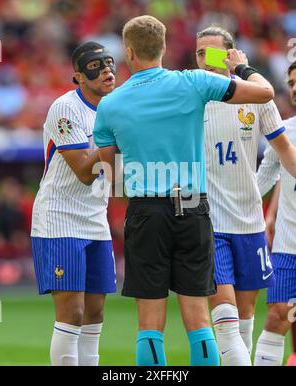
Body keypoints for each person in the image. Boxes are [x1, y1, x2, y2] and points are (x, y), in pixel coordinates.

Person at [93, 15, 275, 366]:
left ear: (129, 52)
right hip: (192, 206)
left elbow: (111, 177)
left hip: (146, 210)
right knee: (199, 318)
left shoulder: (111, 105)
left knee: (149, 322)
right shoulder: (194, 82)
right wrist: (244, 67)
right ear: (164, 48)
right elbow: (266, 93)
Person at [195, 26, 296, 366]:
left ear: (232, 55)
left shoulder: (256, 97)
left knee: (245, 317)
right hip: (208, 219)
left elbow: (282, 152)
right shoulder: (191, 95)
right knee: (223, 314)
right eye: (199, 54)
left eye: (212, 53)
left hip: (249, 219)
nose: (205, 62)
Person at [30, 41, 117, 366]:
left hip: (96, 218)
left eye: (109, 62)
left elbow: (115, 173)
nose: (106, 69)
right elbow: (84, 170)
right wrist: (117, 133)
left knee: (95, 311)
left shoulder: (114, 108)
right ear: (78, 76)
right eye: (95, 65)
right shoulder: (65, 108)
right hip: (60, 219)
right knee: (73, 312)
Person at [254, 61, 296, 366]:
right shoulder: (285, 131)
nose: (294, 88)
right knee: (277, 314)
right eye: (291, 83)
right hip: (288, 246)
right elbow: (265, 177)